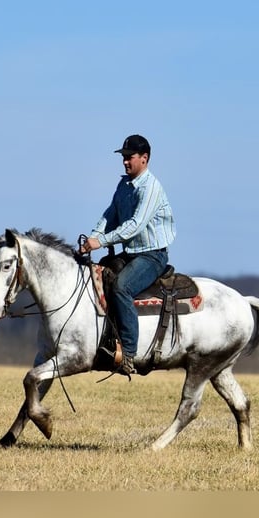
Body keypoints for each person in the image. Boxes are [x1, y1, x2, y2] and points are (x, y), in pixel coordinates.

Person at [80, 134, 176, 376]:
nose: (124, 161)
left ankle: (130, 354)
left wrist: (99, 241)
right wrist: (92, 237)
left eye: (129, 157)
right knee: (100, 275)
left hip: (152, 256)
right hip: (132, 253)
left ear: (144, 159)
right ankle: (107, 340)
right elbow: (110, 215)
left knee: (122, 287)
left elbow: (134, 225)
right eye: (123, 157)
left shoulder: (151, 188)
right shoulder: (124, 185)